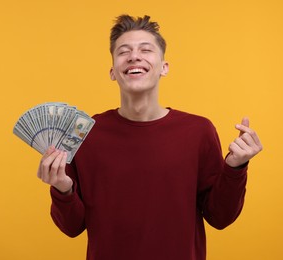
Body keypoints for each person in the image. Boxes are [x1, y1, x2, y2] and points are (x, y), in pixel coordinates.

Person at [36, 14, 263, 260]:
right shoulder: (83, 132)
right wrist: (62, 189)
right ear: (113, 72)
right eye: (124, 51)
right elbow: (72, 227)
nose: (134, 56)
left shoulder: (199, 131)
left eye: (146, 50)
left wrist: (235, 167)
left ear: (164, 67)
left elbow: (220, 217)